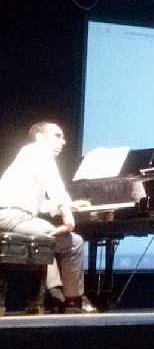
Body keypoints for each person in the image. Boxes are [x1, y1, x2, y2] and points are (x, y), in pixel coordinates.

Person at [0, 122, 94, 313]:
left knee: (50, 234)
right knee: (73, 242)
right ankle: (73, 301)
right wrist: (67, 213)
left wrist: (68, 205)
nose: (64, 141)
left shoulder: (27, 155)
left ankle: (53, 291)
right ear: (40, 137)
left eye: (63, 137)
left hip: (12, 215)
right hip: (11, 216)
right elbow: (55, 185)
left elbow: (39, 203)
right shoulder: (38, 151)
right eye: (57, 136)